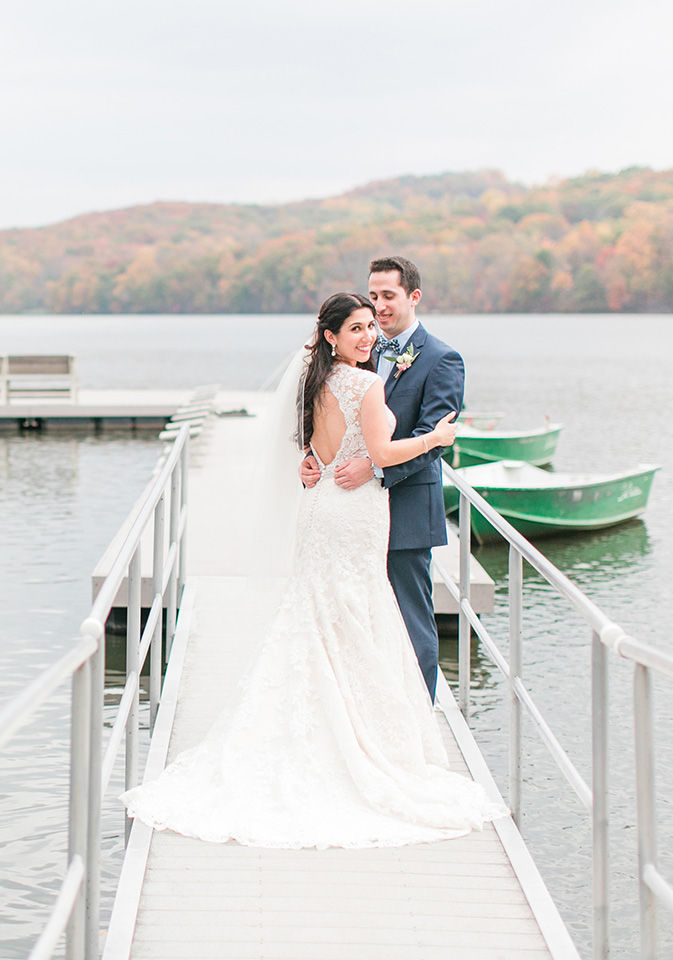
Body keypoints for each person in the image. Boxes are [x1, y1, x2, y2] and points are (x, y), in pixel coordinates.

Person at [121, 293, 505, 849]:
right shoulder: (365, 385)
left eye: (371, 326)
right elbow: (383, 451)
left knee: (321, 611)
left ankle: (325, 725)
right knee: (353, 612)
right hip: (353, 512)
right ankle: (357, 742)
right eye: (355, 328)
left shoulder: (313, 381)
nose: (368, 336)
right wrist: (437, 439)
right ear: (331, 336)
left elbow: (303, 447)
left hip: (322, 502)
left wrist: (314, 462)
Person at [300, 256, 460, 701]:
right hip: (350, 511)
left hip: (405, 508)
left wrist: (374, 466)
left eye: (388, 296)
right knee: (356, 619)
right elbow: (335, 424)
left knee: (409, 620)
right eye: (373, 297)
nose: (380, 307)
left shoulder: (443, 358)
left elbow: (436, 437)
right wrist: (309, 460)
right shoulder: (360, 358)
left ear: (413, 296)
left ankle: (417, 717)